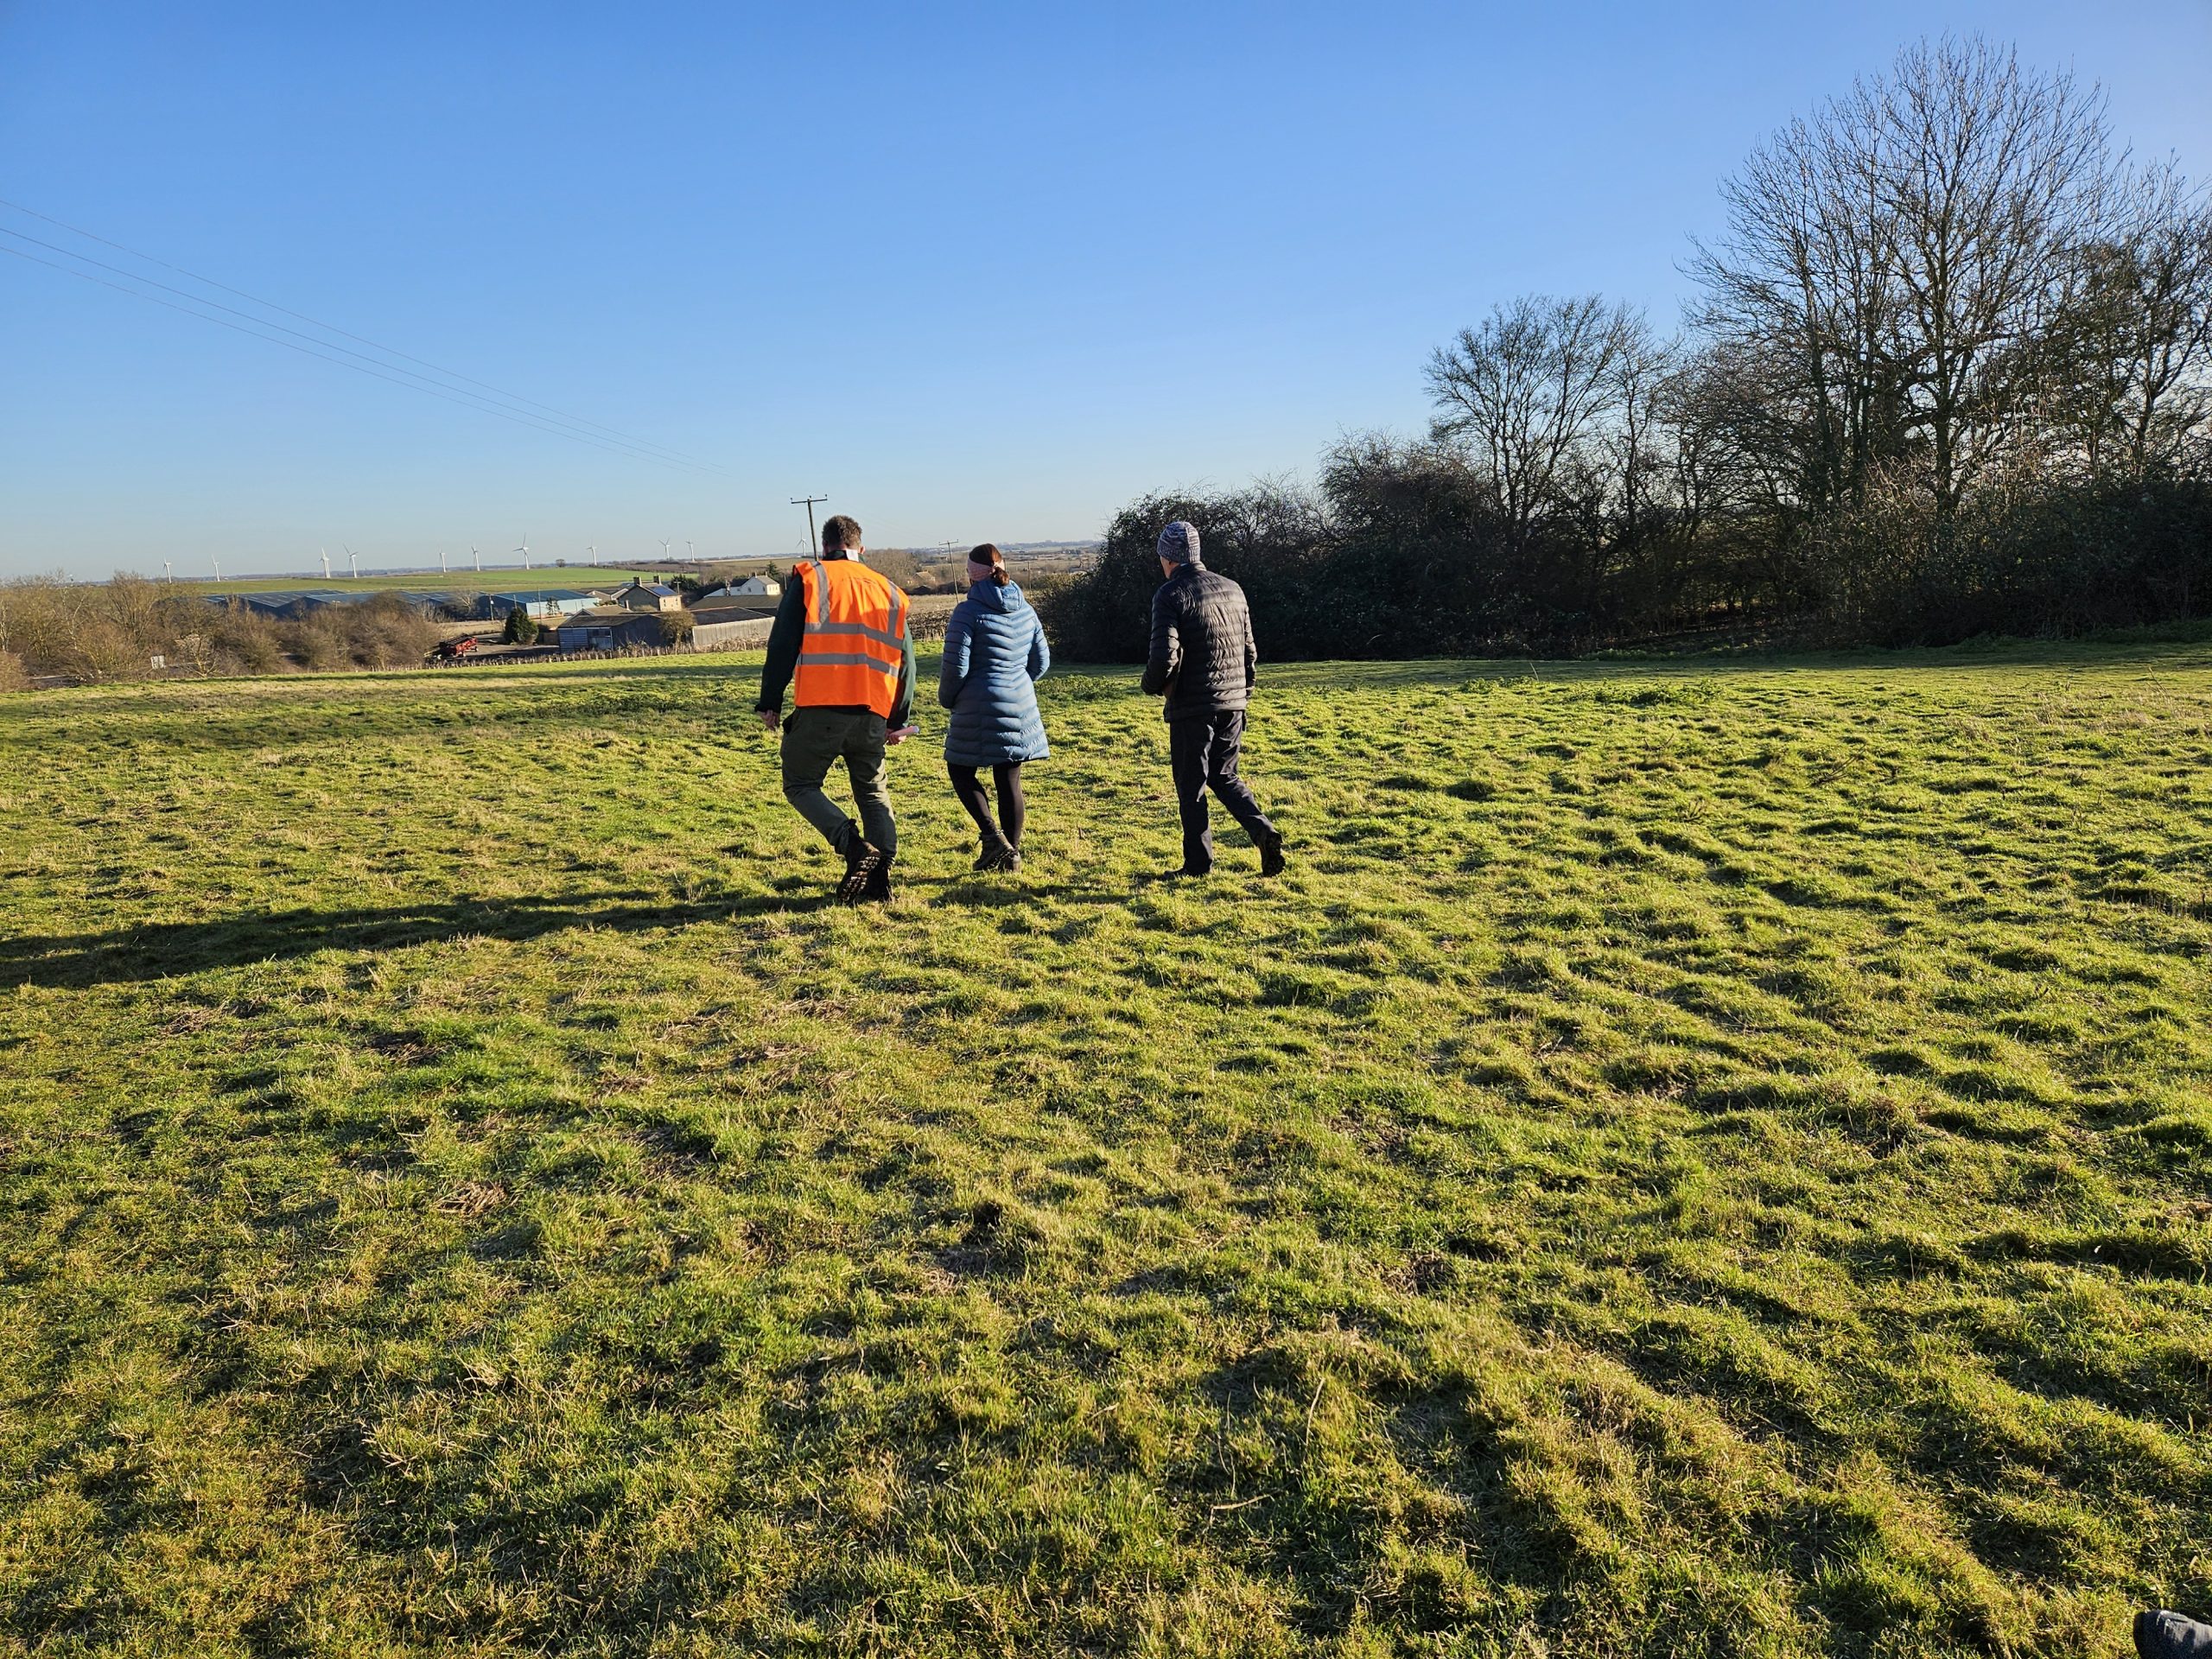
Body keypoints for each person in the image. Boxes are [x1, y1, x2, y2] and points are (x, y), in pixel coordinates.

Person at [756, 513, 916, 903]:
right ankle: (881, 878)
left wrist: (770, 701)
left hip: (821, 708)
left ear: (824, 547)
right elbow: (906, 661)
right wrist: (898, 719)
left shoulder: (812, 578)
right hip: (873, 713)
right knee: (873, 793)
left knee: (801, 784)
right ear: (861, 548)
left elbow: (782, 644)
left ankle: (852, 846)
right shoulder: (890, 590)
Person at [1140, 519, 1286, 878]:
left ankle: (1198, 864)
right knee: (1225, 775)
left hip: (1193, 705)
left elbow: (1165, 656)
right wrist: (1244, 692)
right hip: (1234, 701)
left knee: (1191, 787)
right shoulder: (1234, 589)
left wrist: (1150, 685)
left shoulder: (1170, 594)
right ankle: (1261, 829)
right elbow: (1249, 650)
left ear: (1168, 558)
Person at [938, 543, 1051, 870]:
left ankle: (993, 839)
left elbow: (955, 668)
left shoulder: (967, 612)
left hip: (977, 704)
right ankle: (1010, 853)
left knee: (960, 770)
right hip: (1020, 704)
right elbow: (1041, 661)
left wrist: (948, 698)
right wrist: (1018, 683)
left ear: (970, 577)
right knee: (1009, 779)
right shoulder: (1026, 609)